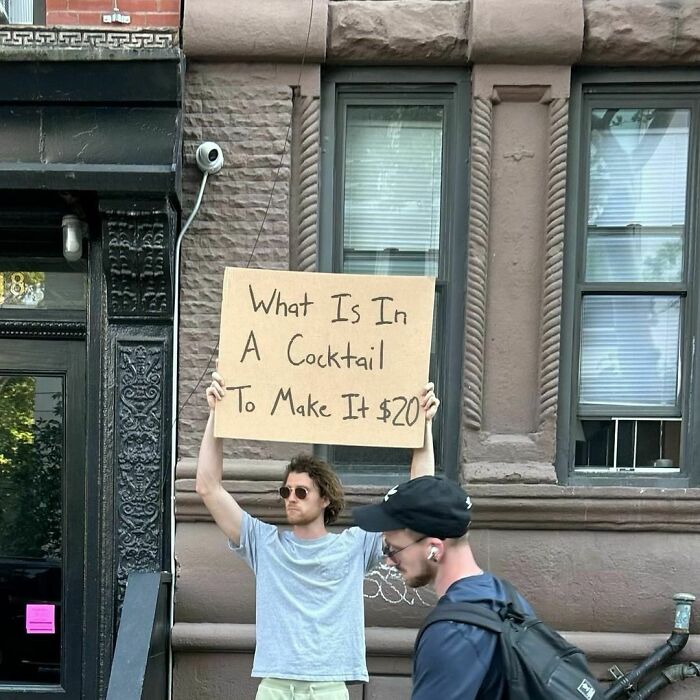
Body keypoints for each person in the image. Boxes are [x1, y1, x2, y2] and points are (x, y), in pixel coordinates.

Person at [196, 372, 440, 700]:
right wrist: (216, 415)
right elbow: (207, 487)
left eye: (301, 491)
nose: (291, 498)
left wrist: (423, 424)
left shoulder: (355, 544)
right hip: (275, 686)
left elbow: (416, 501)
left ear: (325, 498)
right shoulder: (264, 543)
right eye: (285, 491)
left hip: (328, 687)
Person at [352, 476, 534, 700]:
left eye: (393, 549)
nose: (388, 561)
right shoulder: (505, 596)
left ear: (434, 549)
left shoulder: (451, 632)